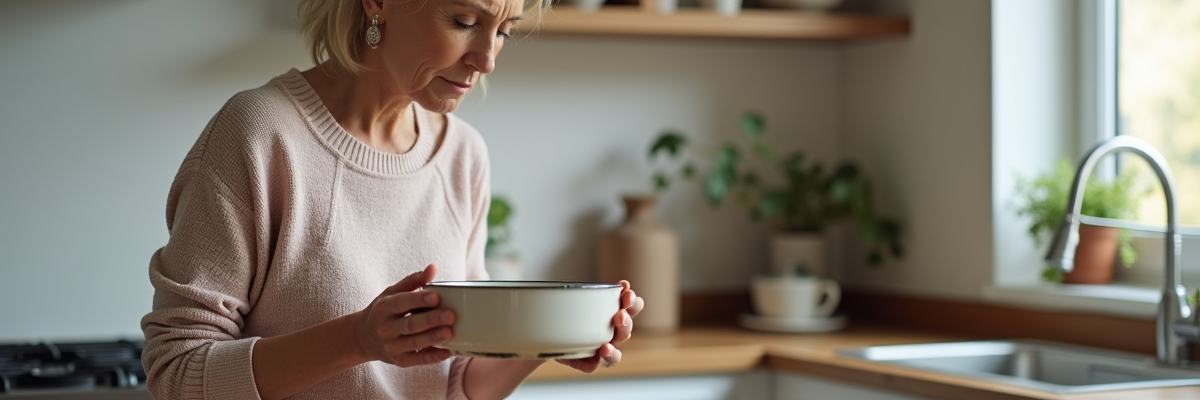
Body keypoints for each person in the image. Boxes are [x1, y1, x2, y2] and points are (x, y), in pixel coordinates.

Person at [139, 0, 645, 398]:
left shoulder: (462, 154)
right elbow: (178, 375)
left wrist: (552, 337)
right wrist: (357, 341)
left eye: (505, 30)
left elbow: (455, 381)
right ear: (377, 2)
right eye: (465, 20)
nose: (487, 59)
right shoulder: (259, 135)